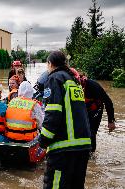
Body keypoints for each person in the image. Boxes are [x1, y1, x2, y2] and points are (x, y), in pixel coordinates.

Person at [39, 51, 91, 189]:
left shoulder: (54, 78)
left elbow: (53, 112)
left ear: (50, 64)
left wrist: (43, 139)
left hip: (63, 149)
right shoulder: (74, 81)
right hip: (83, 147)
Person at [70, 68, 116, 152]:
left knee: (91, 132)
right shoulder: (67, 86)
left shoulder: (92, 85)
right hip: (83, 110)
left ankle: (92, 156)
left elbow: (108, 102)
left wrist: (111, 121)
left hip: (95, 109)